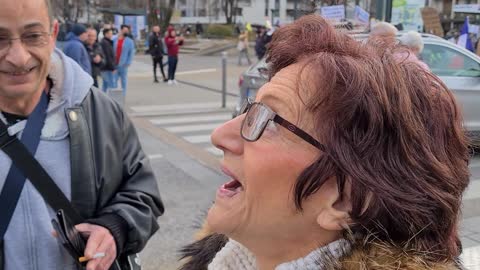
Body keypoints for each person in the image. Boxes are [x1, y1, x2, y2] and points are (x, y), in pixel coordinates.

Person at [180, 15, 469, 270]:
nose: (219, 135)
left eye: (269, 120)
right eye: (250, 110)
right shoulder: (220, 259)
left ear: (344, 201)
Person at [0, 1, 164, 270]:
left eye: (33, 36)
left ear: (53, 35)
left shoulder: (99, 112)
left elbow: (143, 194)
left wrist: (114, 228)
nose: (18, 57)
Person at [113, 24, 135, 96]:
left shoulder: (130, 41)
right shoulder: (114, 39)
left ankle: (123, 95)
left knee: (123, 81)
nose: (126, 32)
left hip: (123, 63)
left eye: (127, 31)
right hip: (114, 63)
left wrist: (128, 62)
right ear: (121, 30)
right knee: (114, 80)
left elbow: (131, 53)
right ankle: (114, 95)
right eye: (124, 30)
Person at [100, 28, 116, 92]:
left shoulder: (106, 42)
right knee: (110, 85)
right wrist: (112, 68)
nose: (111, 35)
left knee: (105, 85)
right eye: (110, 33)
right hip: (107, 68)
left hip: (105, 67)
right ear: (105, 34)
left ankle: (103, 99)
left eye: (112, 33)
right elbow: (108, 56)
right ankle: (109, 100)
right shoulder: (105, 43)